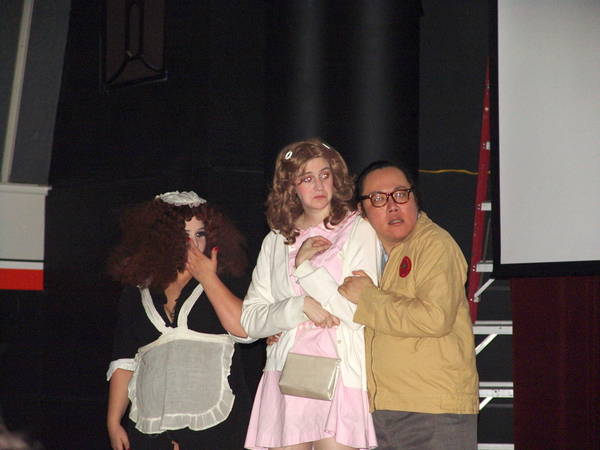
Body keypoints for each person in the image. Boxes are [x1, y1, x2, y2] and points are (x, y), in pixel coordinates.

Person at [241, 139, 379, 450]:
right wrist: (298, 306)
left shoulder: (358, 229)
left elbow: (357, 314)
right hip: (286, 375)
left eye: (324, 175)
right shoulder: (275, 240)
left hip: (341, 375)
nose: (318, 185)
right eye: (307, 178)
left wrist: (305, 270)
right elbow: (250, 320)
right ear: (290, 186)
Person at [338, 161, 480, 450]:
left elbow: (434, 317)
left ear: (415, 199)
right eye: (378, 198)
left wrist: (368, 298)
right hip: (377, 410)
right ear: (361, 210)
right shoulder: (360, 254)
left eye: (401, 194)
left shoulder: (435, 244)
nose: (392, 206)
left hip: (433, 410)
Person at [105, 191, 252, 450]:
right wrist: (113, 421)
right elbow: (125, 360)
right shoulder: (137, 291)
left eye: (200, 234)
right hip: (152, 425)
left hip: (216, 426)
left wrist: (208, 278)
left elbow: (246, 329)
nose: (193, 244)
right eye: (184, 236)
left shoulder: (226, 279)